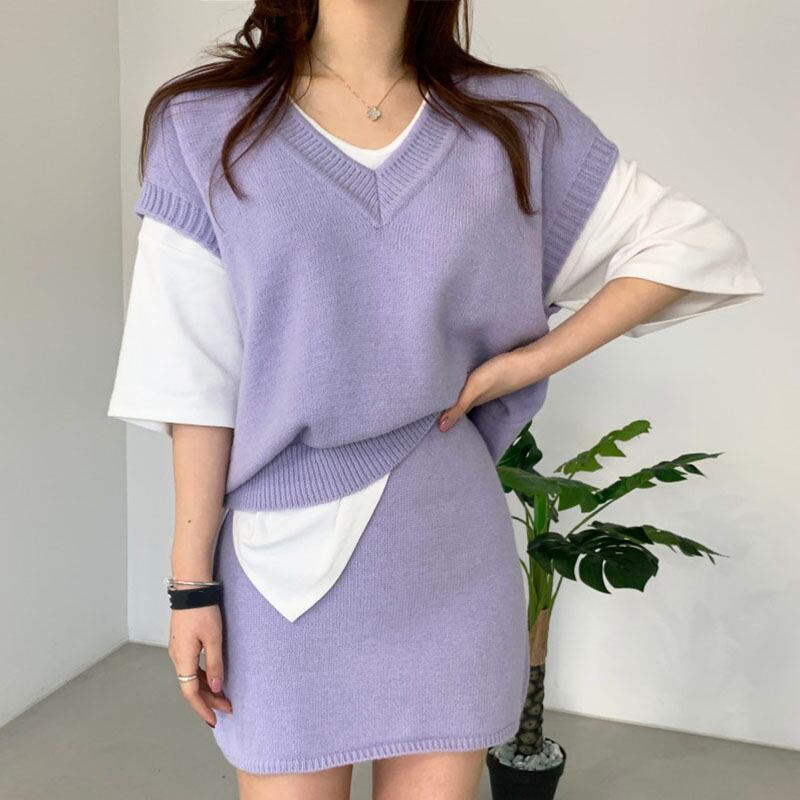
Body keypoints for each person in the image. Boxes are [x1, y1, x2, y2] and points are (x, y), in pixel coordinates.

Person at [107, 1, 764, 798]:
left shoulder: (514, 121)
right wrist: (191, 587)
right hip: (278, 571)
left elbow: (692, 246)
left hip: (451, 556)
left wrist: (529, 362)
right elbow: (194, 379)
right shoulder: (206, 124)